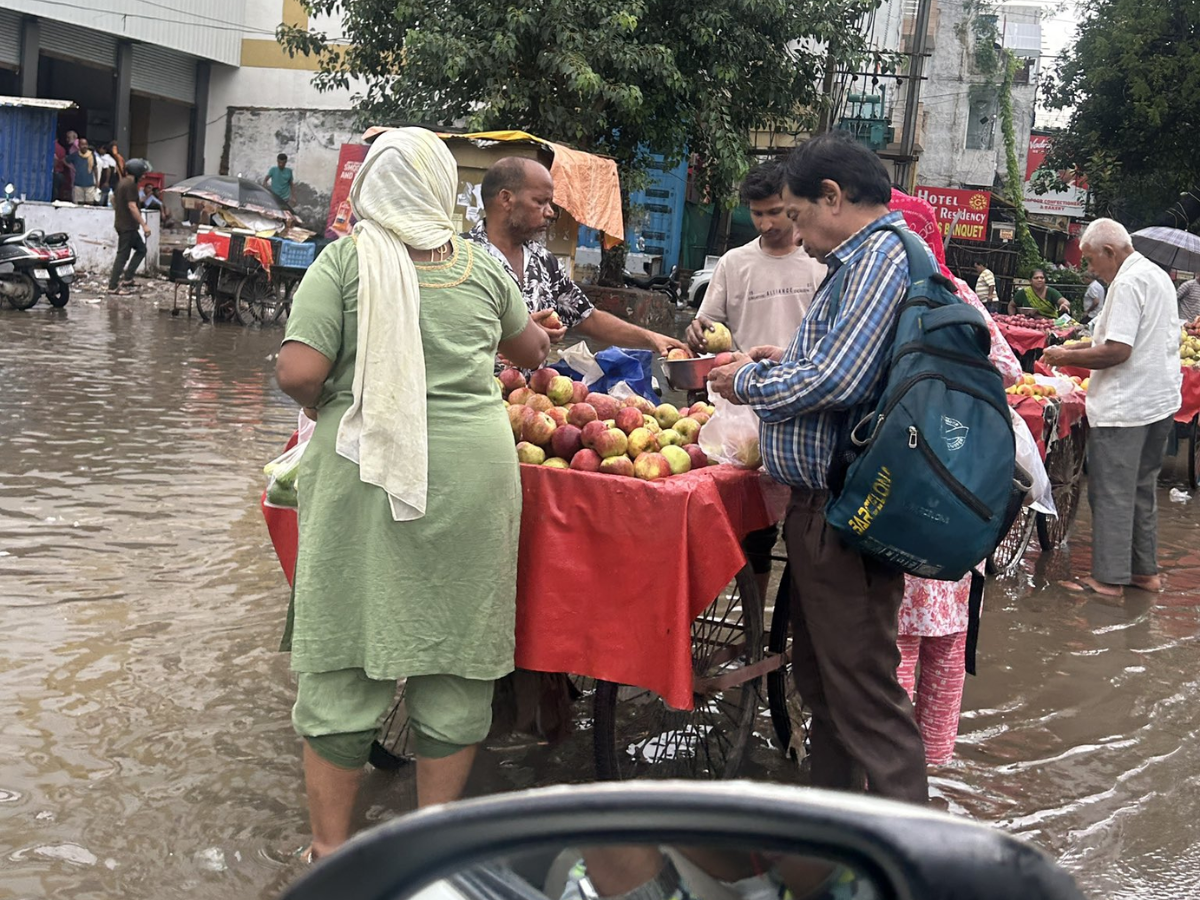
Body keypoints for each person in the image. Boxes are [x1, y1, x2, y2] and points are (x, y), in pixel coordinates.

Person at [273, 128, 549, 861]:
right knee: (457, 654)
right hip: (470, 477)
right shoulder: (481, 269)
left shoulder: (344, 262)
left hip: (365, 470)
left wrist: (341, 397)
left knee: (346, 654)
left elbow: (301, 371)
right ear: (439, 189)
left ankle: (331, 852)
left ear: (373, 187)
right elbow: (534, 354)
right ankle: (431, 849)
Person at [706, 131, 928, 803]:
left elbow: (836, 379)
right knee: (824, 682)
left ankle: (905, 859)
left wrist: (747, 384)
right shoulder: (861, 263)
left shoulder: (878, 261)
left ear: (832, 198)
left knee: (862, 694)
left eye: (797, 216)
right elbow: (842, 374)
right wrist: (781, 362)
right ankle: (836, 836)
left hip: (846, 510)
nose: (794, 234)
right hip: (825, 508)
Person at [888, 189, 1021, 767]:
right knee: (947, 641)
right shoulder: (959, 292)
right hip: (961, 489)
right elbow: (1010, 370)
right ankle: (931, 771)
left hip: (902, 488)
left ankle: (887, 778)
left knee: (898, 644)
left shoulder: (889, 295)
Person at [684, 160, 826, 600]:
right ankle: (752, 634)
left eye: (776, 212)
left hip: (805, 408)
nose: (766, 223)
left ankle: (794, 627)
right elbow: (708, 327)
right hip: (745, 413)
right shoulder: (734, 262)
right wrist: (696, 331)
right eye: (757, 212)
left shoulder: (820, 262)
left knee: (807, 529)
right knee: (754, 529)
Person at [1041, 218, 1182, 598]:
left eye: (1090, 260)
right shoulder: (1156, 276)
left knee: (1111, 491)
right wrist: (1074, 349)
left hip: (1128, 405)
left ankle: (1108, 579)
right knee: (1140, 490)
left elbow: (1118, 351)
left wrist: (1066, 354)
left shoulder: (1127, 281)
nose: (1089, 269)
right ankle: (1143, 572)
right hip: (1159, 401)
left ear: (1109, 252)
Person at [464, 157, 686, 358]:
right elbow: (449, 334)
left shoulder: (544, 262)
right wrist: (517, 336)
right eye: (540, 202)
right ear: (506, 199)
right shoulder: (462, 259)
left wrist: (651, 339)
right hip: (476, 396)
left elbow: (589, 319)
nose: (550, 212)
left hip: (532, 398)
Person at [107, 158, 153, 295]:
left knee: (141, 249)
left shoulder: (122, 182)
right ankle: (113, 286)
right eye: (143, 173)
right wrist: (144, 225)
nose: (144, 176)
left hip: (125, 224)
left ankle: (128, 278)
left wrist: (119, 212)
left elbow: (113, 199)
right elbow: (132, 206)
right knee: (122, 255)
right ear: (137, 172)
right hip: (127, 226)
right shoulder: (130, 185)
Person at [67, 137, 98, 205]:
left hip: (89, 183)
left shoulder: (91, 155)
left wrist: (97, 182)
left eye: (86, 144)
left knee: (89, 203)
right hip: (78, 184)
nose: (84, 146)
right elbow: (64, 160)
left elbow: (95, 168)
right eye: (82, 144)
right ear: (78, 146)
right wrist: (71, 167)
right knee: (78, 204)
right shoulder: (75, 155)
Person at [95, 142, 117, 207]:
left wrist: (106, 181)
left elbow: (108, 169)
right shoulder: (110, 158)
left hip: (107, 180)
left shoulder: (105, 158)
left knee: (103, 198)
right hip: (111, 179)